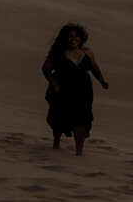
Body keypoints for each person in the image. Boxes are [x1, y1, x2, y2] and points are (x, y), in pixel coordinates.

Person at [42, 23, 109, 156]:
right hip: (63, 90)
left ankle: (79, 152)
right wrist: (55, 85)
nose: (73, 38)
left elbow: (94, 68)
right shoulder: (59, 54)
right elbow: (46, 70)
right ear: (64, 38)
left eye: (76, 36)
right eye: (70, 36)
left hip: (82, 91)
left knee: (82, 119)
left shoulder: (87, 52)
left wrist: (102, 80)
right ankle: (56, 144)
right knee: (58, 117)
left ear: (81, 38)